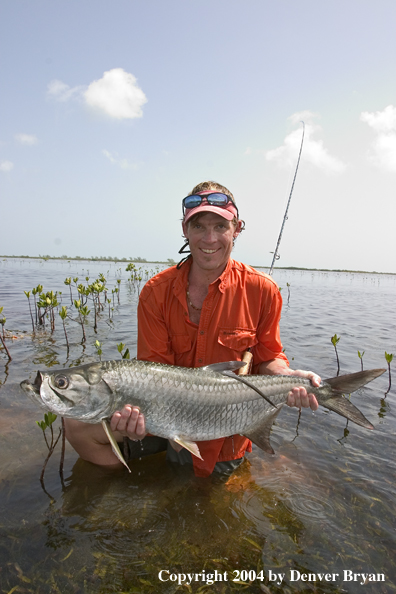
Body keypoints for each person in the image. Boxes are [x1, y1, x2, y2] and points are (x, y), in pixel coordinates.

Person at [65, 181, 320, 477]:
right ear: (185, 231)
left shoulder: (263, 290)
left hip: (226, 423)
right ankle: (125, 489)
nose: (209, 238)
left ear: (236, 229)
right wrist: (135, 418)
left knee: (213, 493)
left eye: (220, 227)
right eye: (199, 227)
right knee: (78, 424)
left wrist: (289, 378)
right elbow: (153, 372)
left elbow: (268, 358)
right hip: (163, 416)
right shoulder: (155, 292)